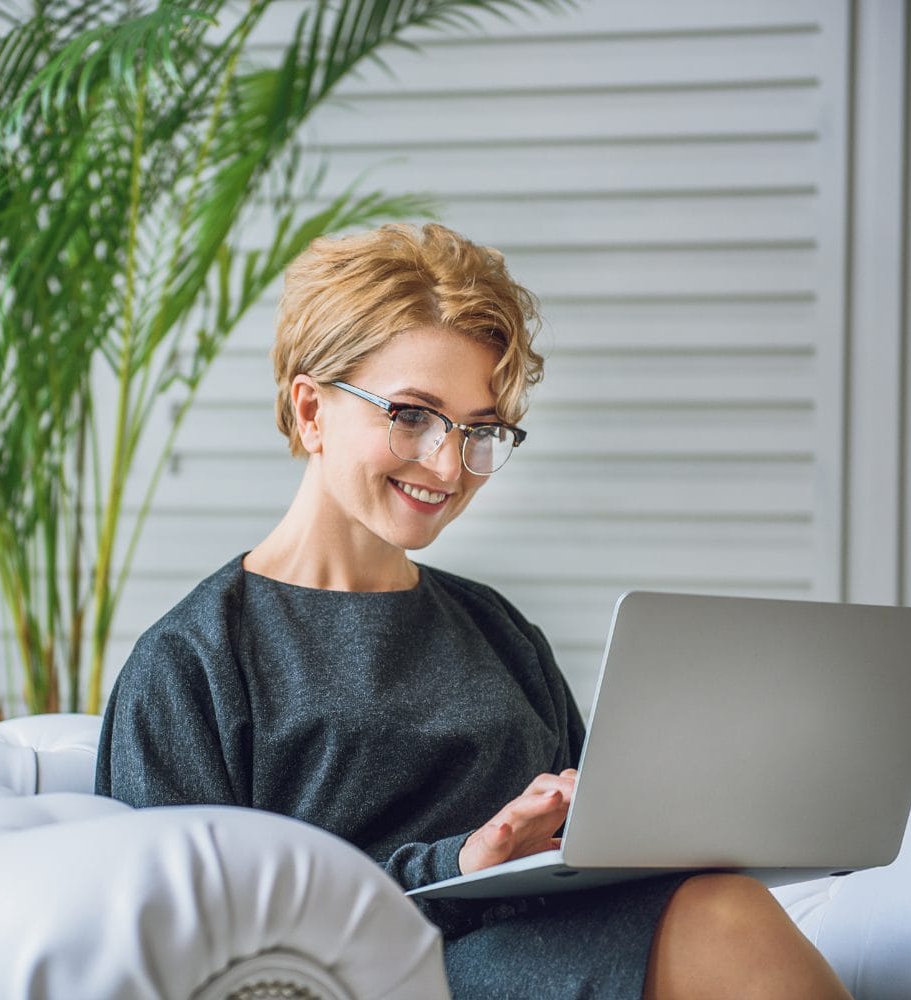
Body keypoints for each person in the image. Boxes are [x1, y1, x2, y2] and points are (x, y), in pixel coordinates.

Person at [96, 223, 852, 999]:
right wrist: (457, 865)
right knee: (722, 923)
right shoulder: (195, 664)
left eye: (480, 430)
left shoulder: (497, 630)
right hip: (382, 982)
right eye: (413, 415)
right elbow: (191, 944)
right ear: (312, 410)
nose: (450, 465)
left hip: (555, 950)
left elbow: (592, 845)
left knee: (722, 906)